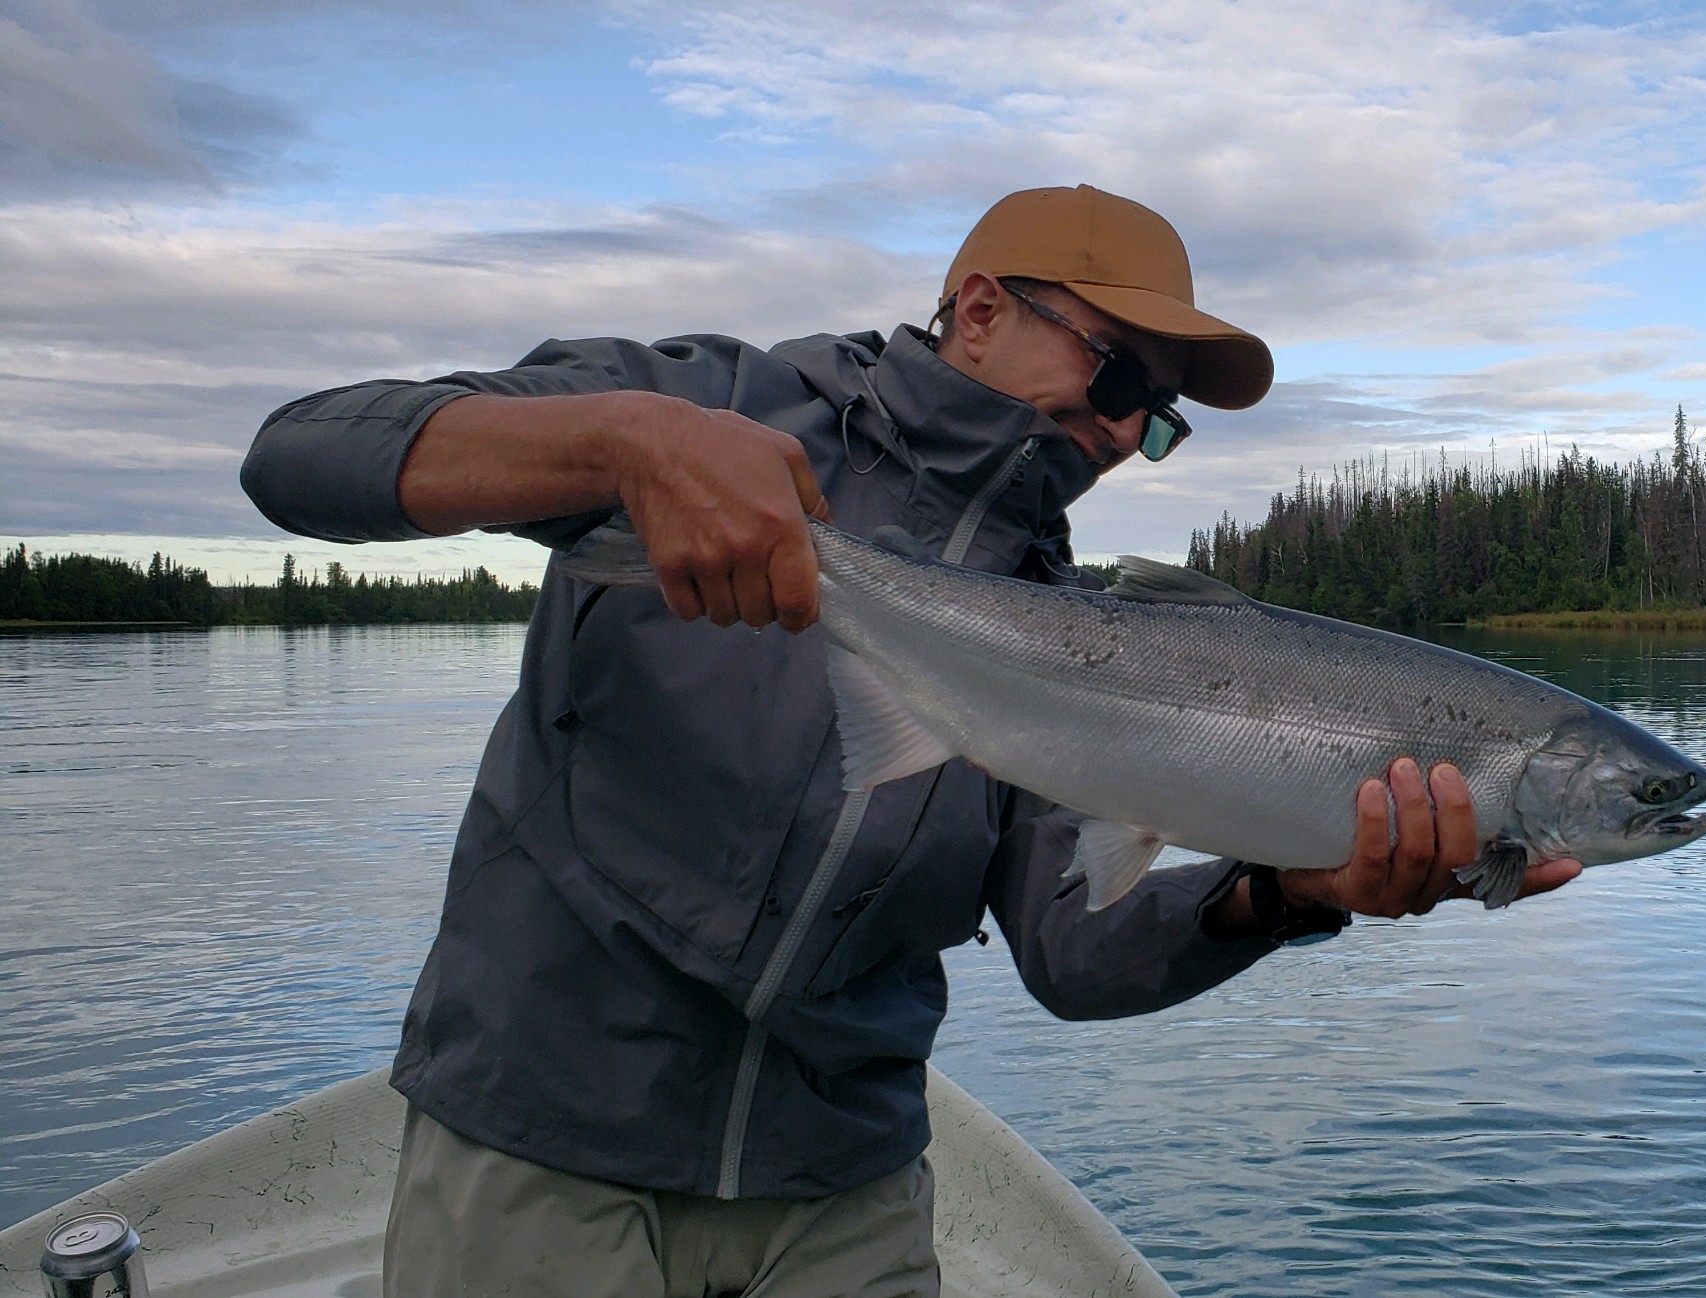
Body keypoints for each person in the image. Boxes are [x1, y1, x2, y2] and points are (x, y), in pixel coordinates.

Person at [239, 184, 1582, 1298]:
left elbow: (1073, 944)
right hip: (539, 1139)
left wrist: (1291, 892)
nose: (1125, 430)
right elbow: (297, 453)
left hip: (845, 1185)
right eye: (1120, 372)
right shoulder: (717, 405)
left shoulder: (1066, 631)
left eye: (1158, 416)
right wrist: (625, 441)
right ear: (982, 307)